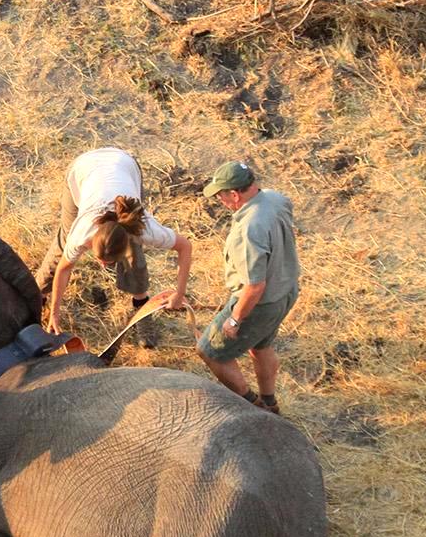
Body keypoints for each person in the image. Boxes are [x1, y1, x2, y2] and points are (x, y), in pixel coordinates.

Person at [34, 147, 193, 344]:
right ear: (92, 242)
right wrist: (55, 314)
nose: (102, 265)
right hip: (82, 170)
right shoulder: (83, 233)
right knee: (64, 245)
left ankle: (141, 306)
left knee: (135, 250)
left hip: (123, 165)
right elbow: (64, 269)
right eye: (101, 259)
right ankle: (36, 296)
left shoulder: (144, 229)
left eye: (108, 261)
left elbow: (185, 246)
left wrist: (179, 293)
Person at [196, 160, 302, 414]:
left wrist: (234, 320)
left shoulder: (248, 230)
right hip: (286, 290)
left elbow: (254, 286)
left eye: (221, 195)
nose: (220, 200)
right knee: (261, 345)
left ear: (234, 194)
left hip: (260, 303)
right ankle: (270, 403)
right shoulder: (276, 199)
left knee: (209, 351)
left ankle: (252, 405)